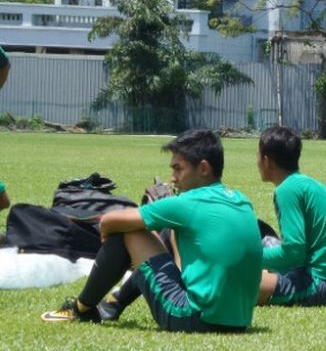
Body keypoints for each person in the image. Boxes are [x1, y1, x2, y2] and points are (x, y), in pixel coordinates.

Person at [41, 129, 262, 333]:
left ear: (203, 168)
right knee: (159, 231)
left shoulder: (187, 203)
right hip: (239, 321)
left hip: (194, 318)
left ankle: (82, 309)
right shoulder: (242, 200)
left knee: (129, 231)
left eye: (178, 169)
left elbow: (109, 221)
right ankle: (113, 304)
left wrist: (119, 234)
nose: (173, 178)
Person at [255, 126, 326, 306]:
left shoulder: (287, 190)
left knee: (237, 285)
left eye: (257, 156)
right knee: (262, 238)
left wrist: (248, 259)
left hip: (318, 285)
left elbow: (294, 251)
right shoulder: (303, 184)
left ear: (267, 161)